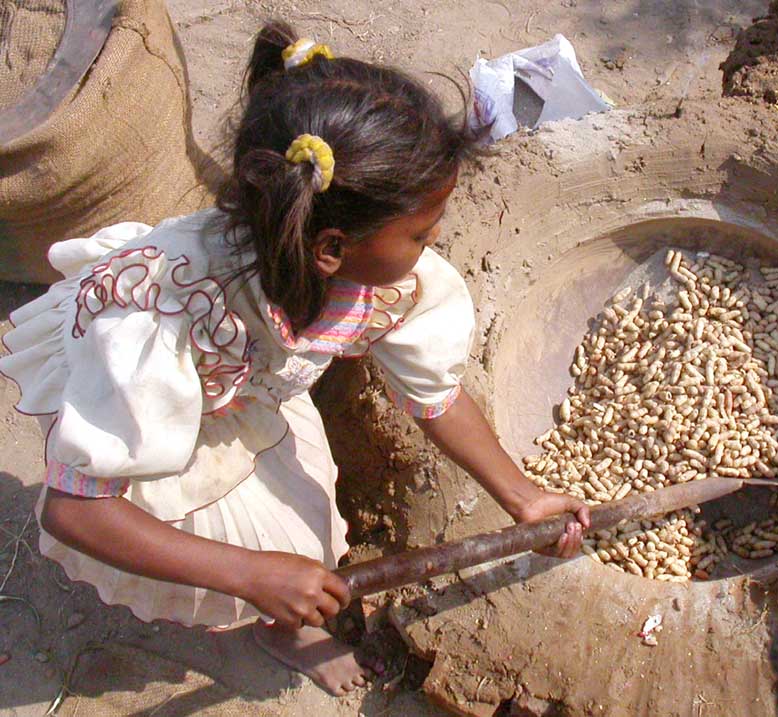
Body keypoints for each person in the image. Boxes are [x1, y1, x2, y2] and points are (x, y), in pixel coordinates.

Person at [0, 21, 590, 697]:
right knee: (256, 557)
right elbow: (74, 510)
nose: (434, 244)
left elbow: (435, 394)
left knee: (304, 533)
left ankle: (274, 609)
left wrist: (523, 496)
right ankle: (264, 619)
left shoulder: (379, 281)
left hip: (244, 392)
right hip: (145, 419)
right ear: (332, 247)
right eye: (423, 232)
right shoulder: (158, 316)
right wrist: (249, 573)